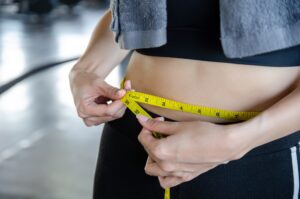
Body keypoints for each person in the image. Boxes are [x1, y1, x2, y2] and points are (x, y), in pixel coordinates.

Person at [69, 1, 300, 198]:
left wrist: (237, 141)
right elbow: (126, 12)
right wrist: (85, 70)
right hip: (132, 135)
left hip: (253, 148)